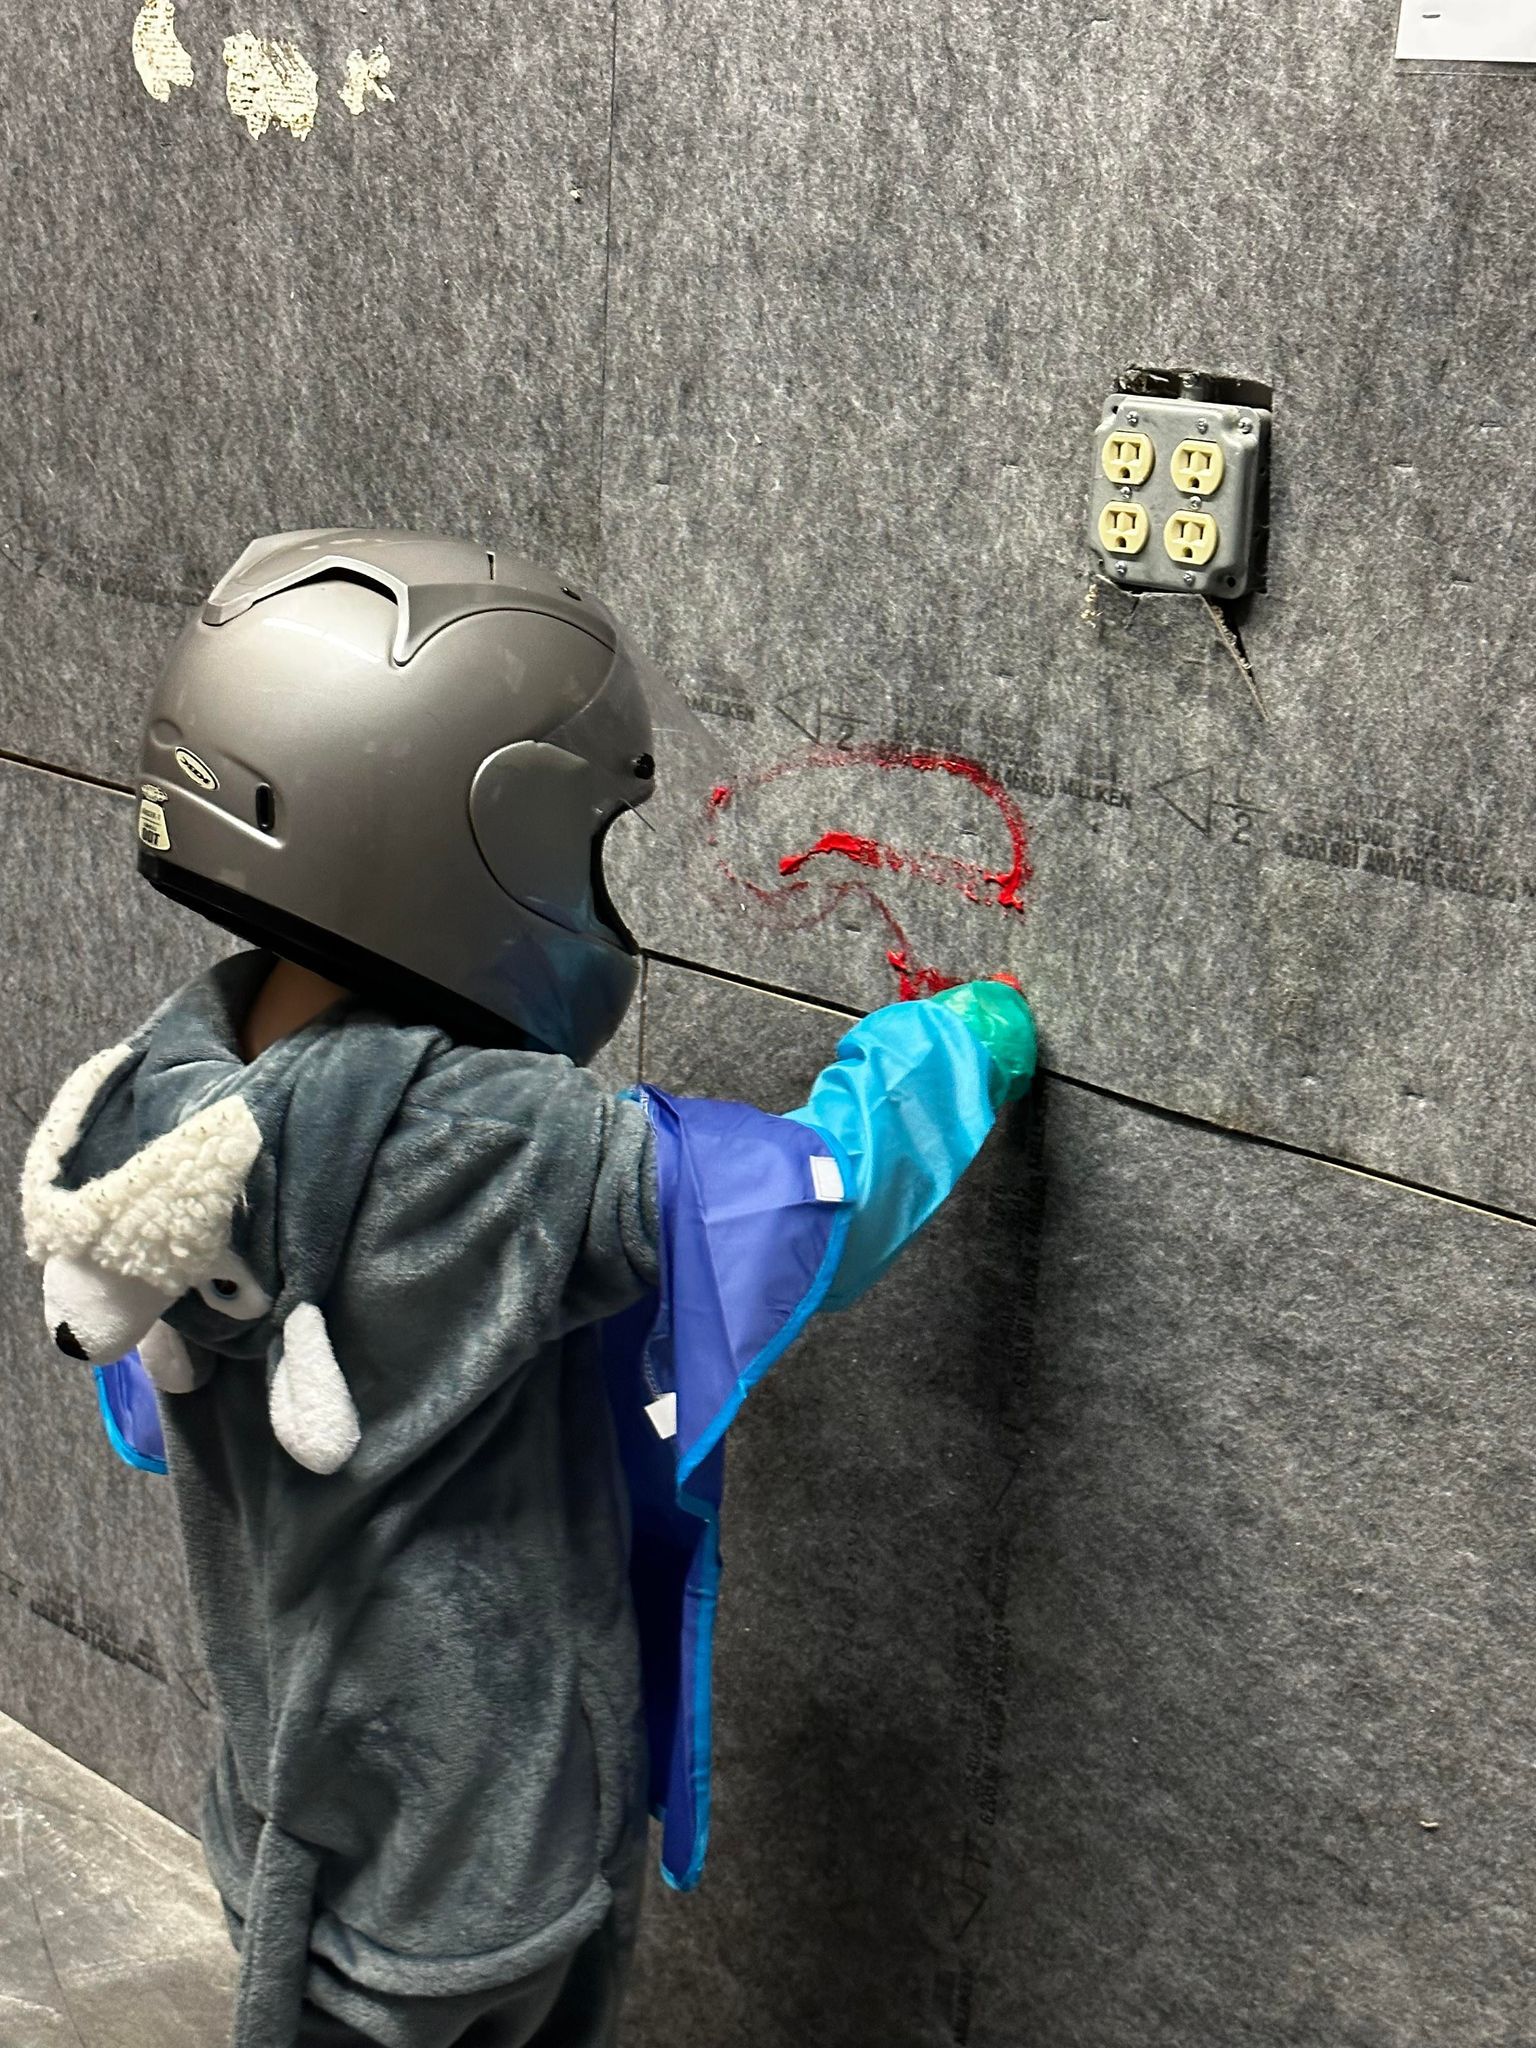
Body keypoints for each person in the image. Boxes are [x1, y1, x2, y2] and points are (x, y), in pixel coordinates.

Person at [20, 531, 1036, 2048]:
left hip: (286, 1819)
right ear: (460, 840)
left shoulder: (161, 1104)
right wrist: (964, 1045)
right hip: (483, 1869)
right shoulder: (494, 1148)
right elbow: (801, 1198)